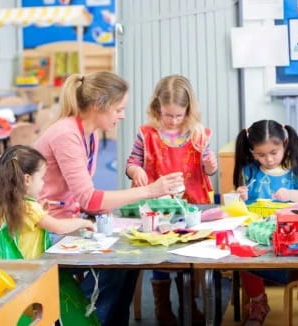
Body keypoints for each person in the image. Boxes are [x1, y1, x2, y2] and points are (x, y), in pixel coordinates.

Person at [34, 71, 184, 326]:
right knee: (116, 263)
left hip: (67, 222)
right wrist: (150, 190)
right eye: (118, 109)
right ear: (98, 105)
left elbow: (84, 200)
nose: (122, 115)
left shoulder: (88, 134)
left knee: (128, 259)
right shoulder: (66, 134)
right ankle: (84, 319)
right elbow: (89, 199)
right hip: (44, 231)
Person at [126, 75, 217, 326]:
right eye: (168, 115)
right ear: (157, 108)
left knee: (188, 253)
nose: (174, 120)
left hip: (191, 204)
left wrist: (210, 165)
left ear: (189, 110)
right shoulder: (147, 134)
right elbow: (132, 163)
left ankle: (189, 305)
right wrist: (136, 171)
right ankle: (162, 308)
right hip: (158, 205)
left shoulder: (198, 134)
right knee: (161, 252)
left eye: (179, 115)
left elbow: (209, 169)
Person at [233, 119, 298, 326]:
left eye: (274, 152)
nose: (268, 160)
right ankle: (258, 302)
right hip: (258, 232)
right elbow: (243, 205)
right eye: (260, 155)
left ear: (285, 143)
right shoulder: (249, 171)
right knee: (243, 256)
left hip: (291, 232)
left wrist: (290, 193)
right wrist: (240, 196)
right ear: (252, 151)